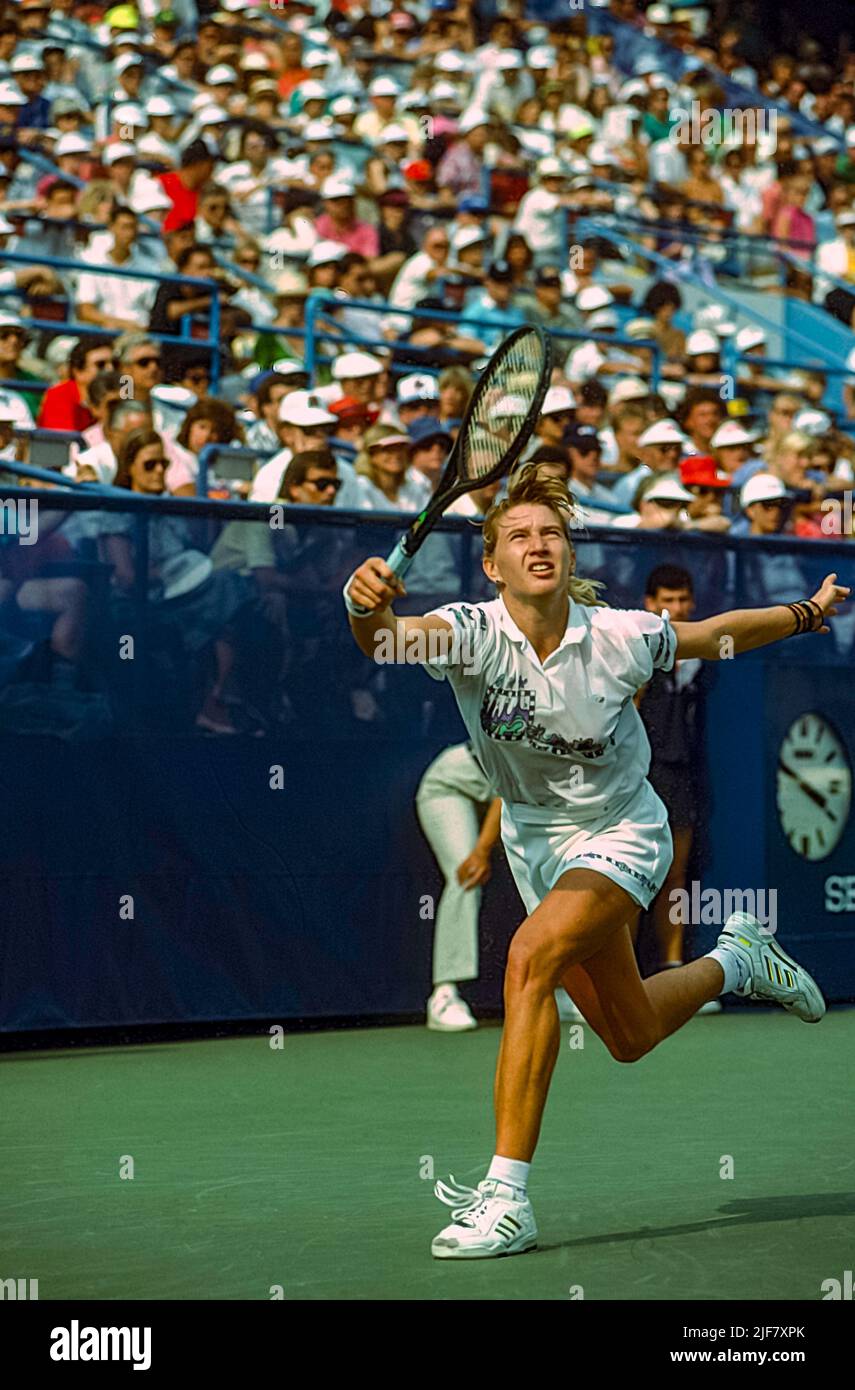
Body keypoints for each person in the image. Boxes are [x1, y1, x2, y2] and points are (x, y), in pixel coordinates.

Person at [343, 465, 845, 1259]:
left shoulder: (621, 636)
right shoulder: (468, 631)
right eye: (518, 536)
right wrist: (360, 605)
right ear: (491, 564)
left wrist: (803, 611)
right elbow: (386, 642)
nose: (537, 545)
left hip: (621, 831)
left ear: (568, 555)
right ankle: (735, 962)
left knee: (527, 958)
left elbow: (717, 632)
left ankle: (506, 1196)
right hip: (536, 845)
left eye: (551, 534)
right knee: (629, 1031)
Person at [636, 565, 718, 1012]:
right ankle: (619, 980)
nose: (677, 608)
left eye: (684, 600)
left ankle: (672, 969)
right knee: (624, 879)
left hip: (681, 776)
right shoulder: (636, 648)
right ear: (650, 603)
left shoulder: (701, 652)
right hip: (637, 778)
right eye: (668, 599)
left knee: (675, 876)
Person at [415, 743, 503, 1032]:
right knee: (466, 876)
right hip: (449, 787)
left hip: (493, 794)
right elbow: (505, 795)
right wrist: (480, 852)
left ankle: (561, 989)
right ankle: (444, 995)